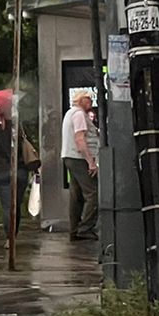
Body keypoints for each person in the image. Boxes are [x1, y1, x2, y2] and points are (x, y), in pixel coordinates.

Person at [0, 116, 40, 235]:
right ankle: (14, 234)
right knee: (16, 205)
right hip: (19, 170)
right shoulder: (18, 125)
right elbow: (28, 144)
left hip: (1, 171)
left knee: (7, 207)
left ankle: (9, 238)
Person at [60, 91, 98, 240]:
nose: (91, 102)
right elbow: (80, 139)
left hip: (69, 157)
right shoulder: (79, 115)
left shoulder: (70, 113)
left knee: (76, 195)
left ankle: (74, 229)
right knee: (93, 192)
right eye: (88, 99)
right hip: (78, 157)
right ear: (81, 100)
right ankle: (86, 228)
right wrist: (91, 162)